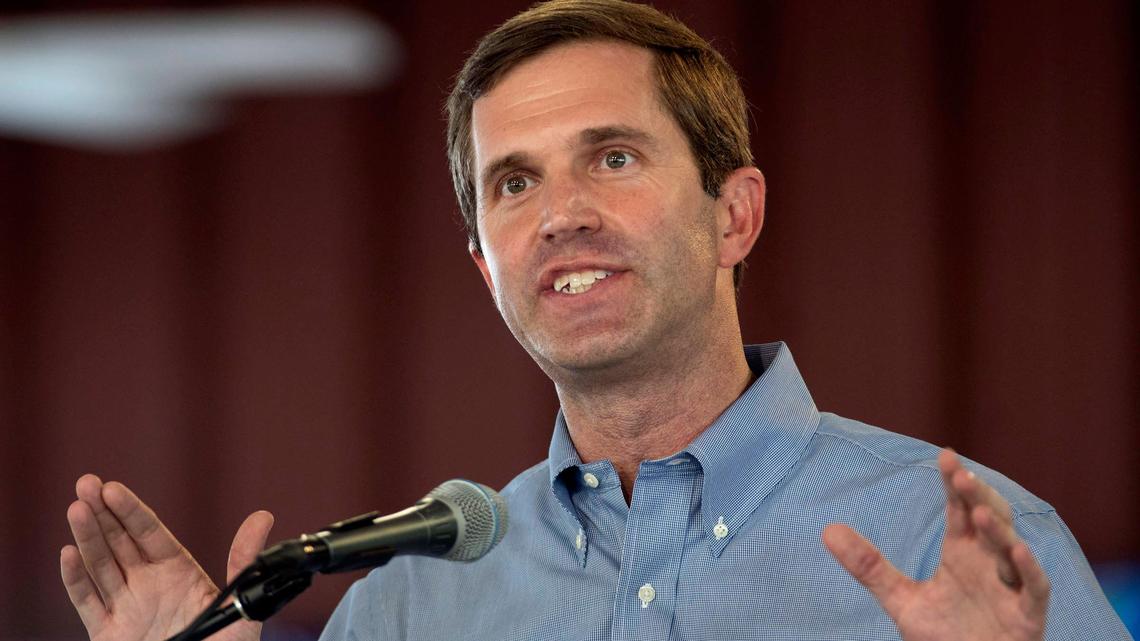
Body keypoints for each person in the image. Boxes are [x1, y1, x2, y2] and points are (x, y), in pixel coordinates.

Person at [61, 1, 1131, 640]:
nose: (561, 213)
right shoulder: (410, 604)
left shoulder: (964, 552)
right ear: (485, 265)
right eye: (513, 183)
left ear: (735, 213)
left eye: (611, 158)